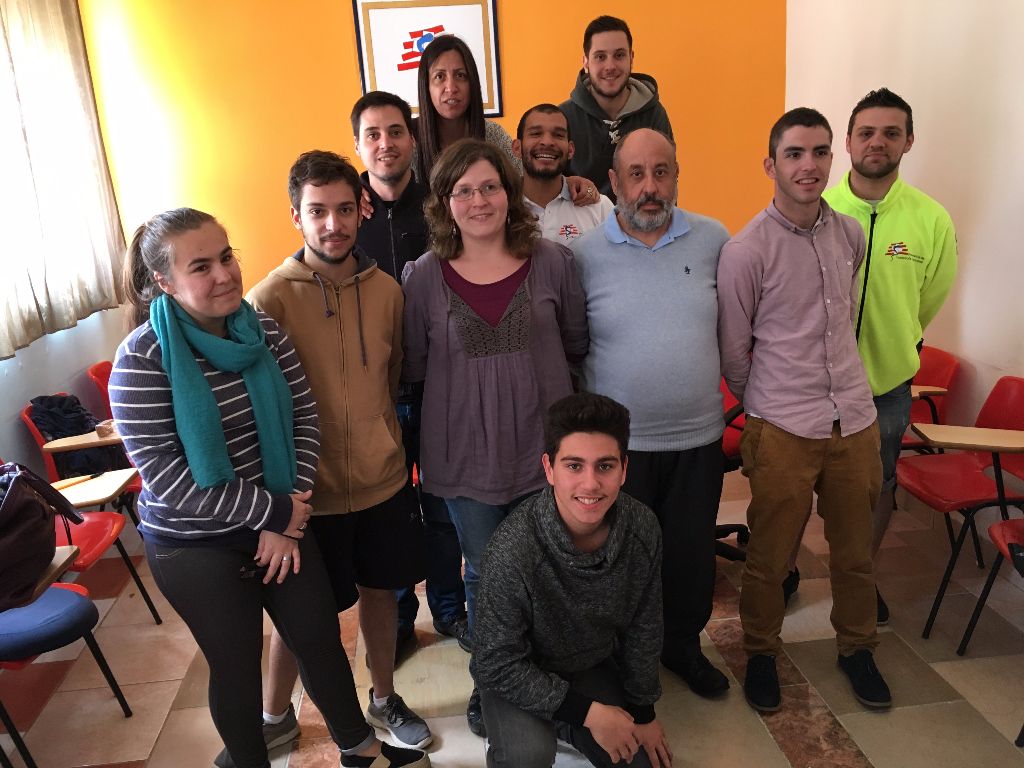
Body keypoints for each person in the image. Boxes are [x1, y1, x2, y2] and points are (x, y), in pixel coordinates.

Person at [109, 208, 429, 768]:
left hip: (281, 517)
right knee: (234, 664)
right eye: (201, 266)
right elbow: (166, 477)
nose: (224, 275)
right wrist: (274, 514)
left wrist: (286, 517)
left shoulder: (260, 331)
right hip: (195, 540)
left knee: (319, 639)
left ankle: (361, 750)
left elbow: (305, 420)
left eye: (226, 257)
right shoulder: (141, 358)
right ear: (164, 281)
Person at [402, 138, 589, 737]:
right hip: (464, 454)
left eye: (490, 187)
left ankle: (552, 686)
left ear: (510, 194)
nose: (479, 200)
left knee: (549, 570)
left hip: (544, 451)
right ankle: (495, 685)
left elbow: (575, 344)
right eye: (463, 191)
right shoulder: (422, 278)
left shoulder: (555, 263)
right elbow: (415, 366)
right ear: (444, 203)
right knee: (486, 574)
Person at [247, 152, 432, 752]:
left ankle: (384, 698)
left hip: (382, 478)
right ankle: (275, 715)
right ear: (295, 216)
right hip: (307, 494)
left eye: (345, 209)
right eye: (318, 211)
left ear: (361, 211)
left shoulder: (388, 292)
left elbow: (393, 377)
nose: (334, 224)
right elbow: (258, 404)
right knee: (299, 615)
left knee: (383, 593)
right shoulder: (267, 300)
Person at [717, 108, 891, 714]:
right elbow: (734, 352)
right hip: (783, 425)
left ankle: (857, 648)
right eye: (794, 153)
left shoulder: (851, 235)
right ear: (771, 165)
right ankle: (761, 653)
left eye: (819, 152)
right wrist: (767, 403)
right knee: (769, 557)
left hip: (854, 420)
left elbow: (843, 316)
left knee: (855, 553)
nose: (808, 165)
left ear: (831, 159)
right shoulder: (746, 250)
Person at [570, 128, 730, 700]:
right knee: (619, 561)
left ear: (677, 175)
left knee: (689, 557)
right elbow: (574, 349)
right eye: (635, 174)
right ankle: (620, 658)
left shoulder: (714, 240)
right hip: (619, 449)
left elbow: (735, 331)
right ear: (614, 182)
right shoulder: (583, 256)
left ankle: (682, 646)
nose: (649, 187)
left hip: (697, 438)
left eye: (661, 172)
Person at [473, 392, 672, 768]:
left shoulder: (642, 528)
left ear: (624, 470)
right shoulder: (513, 547)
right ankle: (540, 720)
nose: (591, 484)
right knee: (527, 755)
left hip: (588, 665)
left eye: (605, 466)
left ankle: (564, 721)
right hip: (519, 670)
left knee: (642, 762)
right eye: (574, 466)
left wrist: (644, 712)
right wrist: (589, 713)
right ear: (549, 469)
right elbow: (495, 662)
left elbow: (644, 626)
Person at [821, 87, 958, 623]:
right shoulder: (818, 209)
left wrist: (893, 343)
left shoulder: (931, 219)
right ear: (848, 141)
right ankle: (785, 571)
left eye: (891, 133)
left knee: (877, 486)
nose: (877, 142)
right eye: (867, 133)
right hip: (813, 385)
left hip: (886, 388)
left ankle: (861, 577)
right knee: (797, 486)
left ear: (908, 141)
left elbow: (928, 301)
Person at [350, 91, 470, 655]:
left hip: (440, 386)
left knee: (443, 509)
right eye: (372, 134)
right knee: (390, 516)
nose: (385, 144)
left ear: (412, 139)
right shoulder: (347, 216)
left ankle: (449, 609)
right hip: (375, 394)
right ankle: (398, 618)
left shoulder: (441, 208)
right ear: (358, 145)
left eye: (395, 131)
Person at [412, 35, 599, 207]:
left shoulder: (492, 134)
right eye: (439, 76)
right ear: (426, 85)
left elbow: (526, 178)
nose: (451, 87)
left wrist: (567, 183)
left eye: (460, 75)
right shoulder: (409, 139)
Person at [560, 16, 673, 201]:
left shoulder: (654, 114)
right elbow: (547, 191)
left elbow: (667, 184)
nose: (610, 66)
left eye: (619, 55)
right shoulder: (563, 118)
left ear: (631, 58)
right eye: (600, 57)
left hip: (642, 218)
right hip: (580, 219)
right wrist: (565, 183)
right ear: (585, 62)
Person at [513, 103, 614, 243]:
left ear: (571, 150)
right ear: (517, 148)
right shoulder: (499, 207)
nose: (547, 142)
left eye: (558, 135)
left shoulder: (599, 207)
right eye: (536, 133)